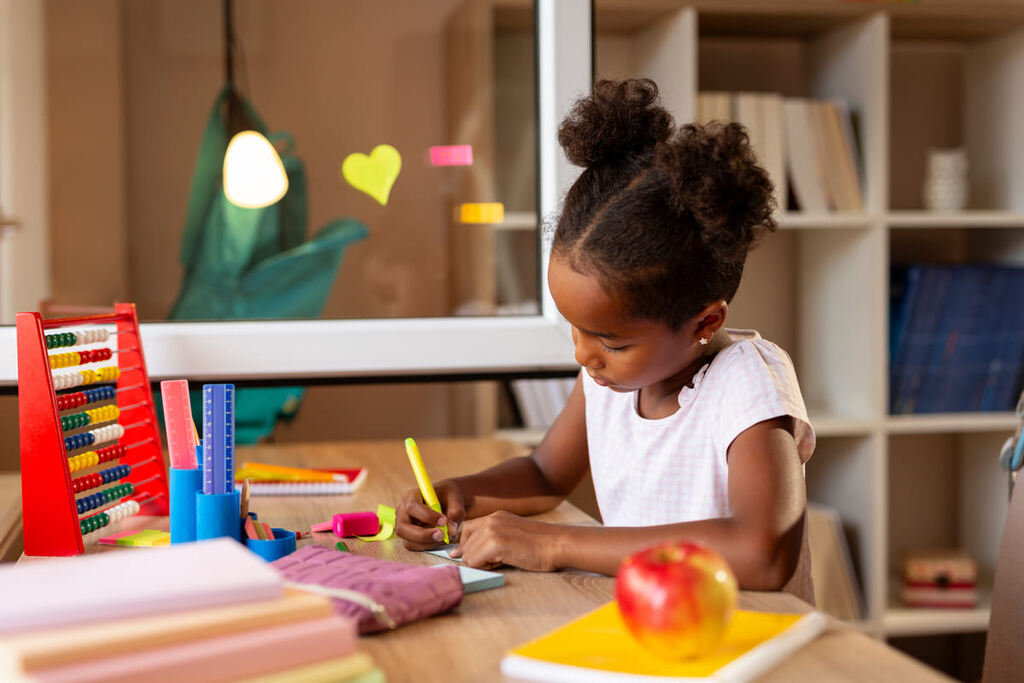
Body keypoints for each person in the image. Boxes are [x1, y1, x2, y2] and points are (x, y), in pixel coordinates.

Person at [396, 78, 815, 600]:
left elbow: (762, 553)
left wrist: (552, 544)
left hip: (745, 651)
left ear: (705, 323)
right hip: (651, 633)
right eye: (574, 327)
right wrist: (459, 494)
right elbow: (545, 474)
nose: (582, 354)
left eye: (611, 342)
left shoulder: (748, 382)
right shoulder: (611, 379)